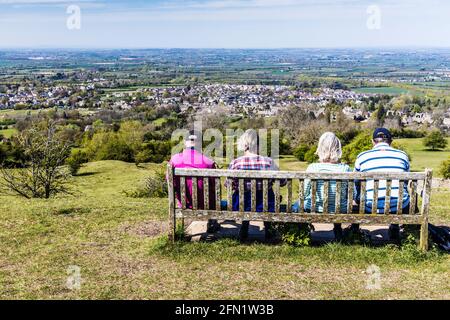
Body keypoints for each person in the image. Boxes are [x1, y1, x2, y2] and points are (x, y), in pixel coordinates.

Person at [292, 132, 354, 240]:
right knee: (335, 202)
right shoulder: (346, 169)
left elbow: (304, 192)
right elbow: (352, 193)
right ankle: (337, 228)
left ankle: (303, 230)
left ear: (320, 148)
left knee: (296, 205)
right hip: (341, 208)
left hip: (314, 207)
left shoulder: (313, 168)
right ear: (338, 148)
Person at [227, 129, 286, 239]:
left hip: (242, 204)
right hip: (265, 204)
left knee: (242, 196)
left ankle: (244, 226)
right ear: (258, 144)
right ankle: (268, 228)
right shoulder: (269, 162)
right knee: (268, 195)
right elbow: (282, 182)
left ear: (244, 144)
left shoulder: (235, 163)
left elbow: (229, 184)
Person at [354, 128, 411, 240]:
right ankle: (398, 227)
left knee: (357, 191)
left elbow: (355, 181)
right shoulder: (402, 155)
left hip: (370, 205)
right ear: (391, 141)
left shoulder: (362, 156)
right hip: (400, 205)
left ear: (372, 141)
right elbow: (406, 180)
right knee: (406, 195)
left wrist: (357, 198)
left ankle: (354, 230)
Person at [169, 131, 219, 233]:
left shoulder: (174, 160)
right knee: (214, 193)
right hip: (206, 204)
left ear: (184, 142)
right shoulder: (208, 162)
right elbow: (214, 186)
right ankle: (212, 222)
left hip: (184, 203)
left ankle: (176, 230)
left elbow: (171, 183)